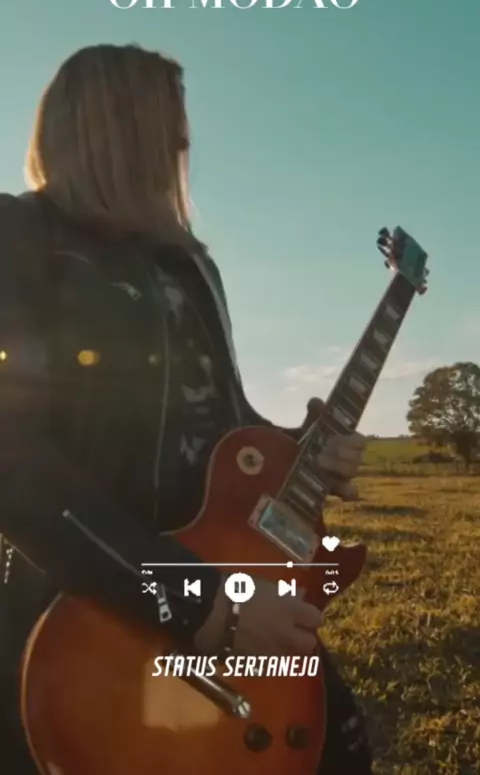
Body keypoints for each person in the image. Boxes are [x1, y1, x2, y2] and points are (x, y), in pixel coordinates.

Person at [0, 43, 372, 774]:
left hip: (230, 590)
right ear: (116, 129)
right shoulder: (19, 237)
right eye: (170, 132)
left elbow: (220, 424)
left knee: (339, 753)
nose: (183, 150)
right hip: (84, 614)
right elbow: (17, 467)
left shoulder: (190, 264)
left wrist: (304, 451)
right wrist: (200, 603)